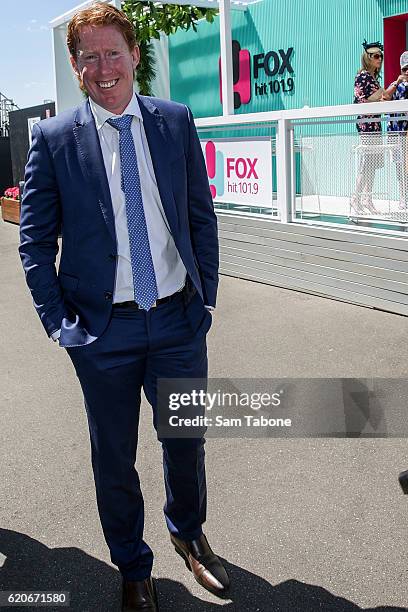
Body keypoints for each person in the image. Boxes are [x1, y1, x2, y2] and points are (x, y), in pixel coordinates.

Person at [19, 3, 228, 611]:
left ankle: (188, 535)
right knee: (114, 456)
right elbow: (34, 241)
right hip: (100, 331)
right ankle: (133, 566)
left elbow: (199, 216)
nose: (104, 66)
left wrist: (204, 296)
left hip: (176, 319)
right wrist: (61, 324)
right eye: (90, 56)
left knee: (185, 442)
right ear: (76, 65)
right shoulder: (54, 140)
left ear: (135, 56)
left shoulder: (174, 121)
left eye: (114, 52)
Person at [352, 40, 405, 215]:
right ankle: (355, 199)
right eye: (376, 56)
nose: (379, 59)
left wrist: (386, 92)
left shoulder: (373, 78)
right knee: (367, 161)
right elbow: (371, 98)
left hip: (374, 124)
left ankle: (367, 199)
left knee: (373, 163)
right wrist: (392, 86)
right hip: (367, 125)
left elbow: (382, 98)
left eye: (381, 56)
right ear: (367, 58)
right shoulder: (363, 76)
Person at [387, 51, 408, 210]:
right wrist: (396, 82)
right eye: (404, 69)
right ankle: (403, 197)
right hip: (397, 133)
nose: (407, 72)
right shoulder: (396, 85)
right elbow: (384, 98)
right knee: (400, 167)